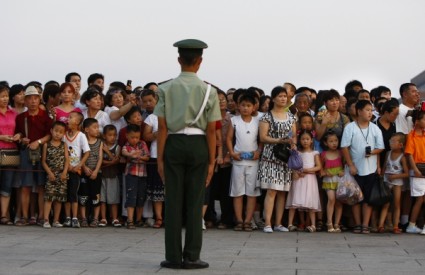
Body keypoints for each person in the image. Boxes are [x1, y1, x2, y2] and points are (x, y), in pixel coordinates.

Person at [155, 39, 220, 269]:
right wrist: (212, 161)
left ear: (179, 60)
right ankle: (192, 255)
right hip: (199, 144)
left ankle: (173, 256)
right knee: (195, 201)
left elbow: (162, 128)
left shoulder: (164, 88)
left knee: (172, 201)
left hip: (173, 142)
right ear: (200, 62)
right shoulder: (209, 91)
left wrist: (160, 158)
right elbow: (212, 129)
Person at [341, 100, 384, 234]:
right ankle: (358, 224)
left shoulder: (375, 128)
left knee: (368, 199)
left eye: (371, 110)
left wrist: (372, 154)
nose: (370, 113)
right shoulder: (350, 127)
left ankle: (365, 224)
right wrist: (351, 165)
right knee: (355, 197)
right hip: (355, 169)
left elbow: (381, 147)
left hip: (370, 168)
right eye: (367, 110)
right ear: (359, 111)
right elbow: (344, 147)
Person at [257, 86, 297, 233]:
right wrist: (279, 140)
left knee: (282, 192)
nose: (283, 99)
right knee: (272, 190)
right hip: (270, 157)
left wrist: (293, 144)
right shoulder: (266, 117)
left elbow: (294, 136)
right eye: (280, 96)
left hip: (285, 158)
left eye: (285, 96)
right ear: (273, 98)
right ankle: (267, 223)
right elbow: (263, 137)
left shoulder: (292, 117)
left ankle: (278, 223)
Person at [14, 86, 53, 226]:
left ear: (39, 99)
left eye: (35, 98)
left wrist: (39, 141)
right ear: (25, 101)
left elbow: (50, 135)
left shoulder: (46, 117)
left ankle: (42, 216)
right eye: (29, 98)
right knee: (26, 186)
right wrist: (20, 137)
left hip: (42, 152)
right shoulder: (20, 118)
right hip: (26, 153)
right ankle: (24, 217)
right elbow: (18, 133)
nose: (33, 101)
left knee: (42, 185)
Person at [226, 93, 262, 232]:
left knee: (252, 193)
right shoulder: (234, 120)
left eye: (248, 105)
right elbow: (229, 138)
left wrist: (258, 151)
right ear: (238, 106)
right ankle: (239, 220)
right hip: (238, 161)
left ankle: (248, 220)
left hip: (253, 161)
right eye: (243, 105)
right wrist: (232, 153)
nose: (245, 108)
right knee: (238, 192)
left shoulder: (258, 121)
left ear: (254, 107)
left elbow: (261, 140)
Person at [286, 130, 322, 232]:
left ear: (311, 140)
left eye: (307, 139)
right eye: (303, 139)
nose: (305, 141)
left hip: (310, 179)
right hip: (299, 179)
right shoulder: (297, 153)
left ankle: (313, 225)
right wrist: (296, 172)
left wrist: (306, 170)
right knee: (294, 201)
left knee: (310, 202)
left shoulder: (315, 153)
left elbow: (318, 167)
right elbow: (292, 164)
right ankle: (290, 224)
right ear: (299, 140)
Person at [63, 111, 90, 228]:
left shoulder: (81, 136)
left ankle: (75, 217)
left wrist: (79, 165)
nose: (67, 119)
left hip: (76, 170)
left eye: (70, 117)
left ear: (78, 122)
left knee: (73, 194)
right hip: (66, 169)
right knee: (66, 194)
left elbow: (87, 152)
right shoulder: (64, 136)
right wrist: (67, 166)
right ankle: (67, 217)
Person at [378, 133, 409, 234]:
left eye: (393, 141)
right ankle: (381, 225)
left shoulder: (402, 157)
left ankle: (395, 226)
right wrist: (382, 177)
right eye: (390, 141)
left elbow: (406, 173)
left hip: (397, 182)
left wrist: (395, 176)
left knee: (396, 204)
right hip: (387, 181)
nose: (390, 143)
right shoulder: (388, 153)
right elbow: (384, 167)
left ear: (400, 145)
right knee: (385, 204)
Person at [121, 124, 150, 229]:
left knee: (141, 197)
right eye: (132, 137)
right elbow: (124, 152)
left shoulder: (142, 144)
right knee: (131, 196)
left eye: (137, 137)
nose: (135, 139)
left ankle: (139, 219)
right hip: (131, 174)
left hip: (142, 174)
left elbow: (147, 157)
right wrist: (131, 155)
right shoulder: (126, 146)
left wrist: (138, 157)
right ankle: (130, 220)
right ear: (127, 136)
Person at [41, 121, 69, 228]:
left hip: (62, 175)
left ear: (64, 134)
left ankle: (56, 220)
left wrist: (65, 172)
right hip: (50, 175)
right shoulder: (46, 145)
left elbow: (67, 160)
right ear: (51, 131)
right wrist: (49, 173)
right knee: (49, 197)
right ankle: (46, 219)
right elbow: (43, 161)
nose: (58, 134)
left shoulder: (64, 145)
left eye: (61, 132)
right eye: (56, 131)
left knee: (59, 198)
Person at [0, 85, 20, 225]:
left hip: (11, 151)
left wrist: (18, 135)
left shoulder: (14, 113)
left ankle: (4, 215)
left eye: (6, 96)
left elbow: (19, 130)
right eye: (2, 96)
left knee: (7, 184)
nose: (5, 99)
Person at [80, 118, 104, 227]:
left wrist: (96, 171)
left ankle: (95, 218)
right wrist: (84, 167)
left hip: (96, 173)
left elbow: (100, 158)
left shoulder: (100, 142)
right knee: (83, 196)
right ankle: (83, 218)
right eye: (94, 127)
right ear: (86, 129)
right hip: (84, 172)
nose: (97, 129)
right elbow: (80, 155)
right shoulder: (82, 141)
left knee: (96, 195)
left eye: (97, 127)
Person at [404, 109, 425, 234]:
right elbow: (409, 155)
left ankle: (412, 224)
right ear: (417, 121)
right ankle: (411, 225)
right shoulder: (411, 136)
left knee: (421, 199)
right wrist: (415, 169)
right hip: (417, 169)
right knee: (420, 199)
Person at [143, 111, 165, 229]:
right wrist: (159, 133)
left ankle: (173, 217)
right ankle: (159, 217)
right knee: (157, 188)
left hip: (173, 156)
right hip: (155, 156)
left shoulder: (177, 114)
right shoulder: (152, 117)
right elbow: (146, 136)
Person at [320, 131, 344, 233]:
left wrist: (343, 171)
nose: (334, 143)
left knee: (339, 202)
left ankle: (337, 223)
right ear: (326, 143)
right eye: (331, 141)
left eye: (336, 141)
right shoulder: (323, 154)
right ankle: (329, 222)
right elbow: (320, 170)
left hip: (339, 180)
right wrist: (325, 172)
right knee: (331, 199)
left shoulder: (341, 153)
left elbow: (345, 165)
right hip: (329, 180)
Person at [100, 125, 121, 227]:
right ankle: (103, 218)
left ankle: (115, 218)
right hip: (102, 176)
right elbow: (99, 161)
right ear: (104, 136)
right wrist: (110, 162)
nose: (113, 137)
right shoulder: (101, 145)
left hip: (113, 176)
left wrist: (107, 152)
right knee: (102, 199)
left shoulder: (117, 147)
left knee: (113, 199)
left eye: (114, 135)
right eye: (110, 135)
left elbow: (115, 160)